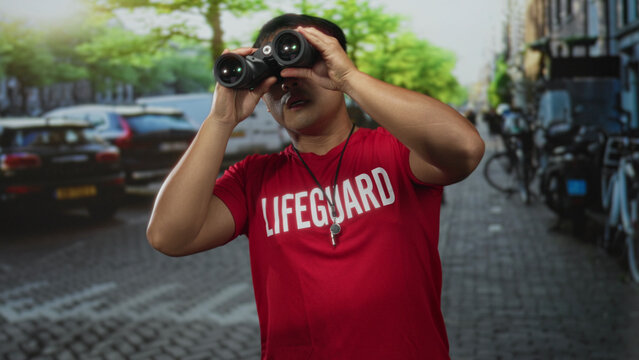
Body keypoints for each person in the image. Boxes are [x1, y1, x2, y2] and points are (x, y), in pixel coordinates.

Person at [147, 13, 484, 360]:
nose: (288, 83)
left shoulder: (398, 151)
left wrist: (350, 78)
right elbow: (168, 236)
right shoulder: (254, 179)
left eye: (303, 62)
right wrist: (220, 120)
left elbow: (466, 149)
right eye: (273, 76)